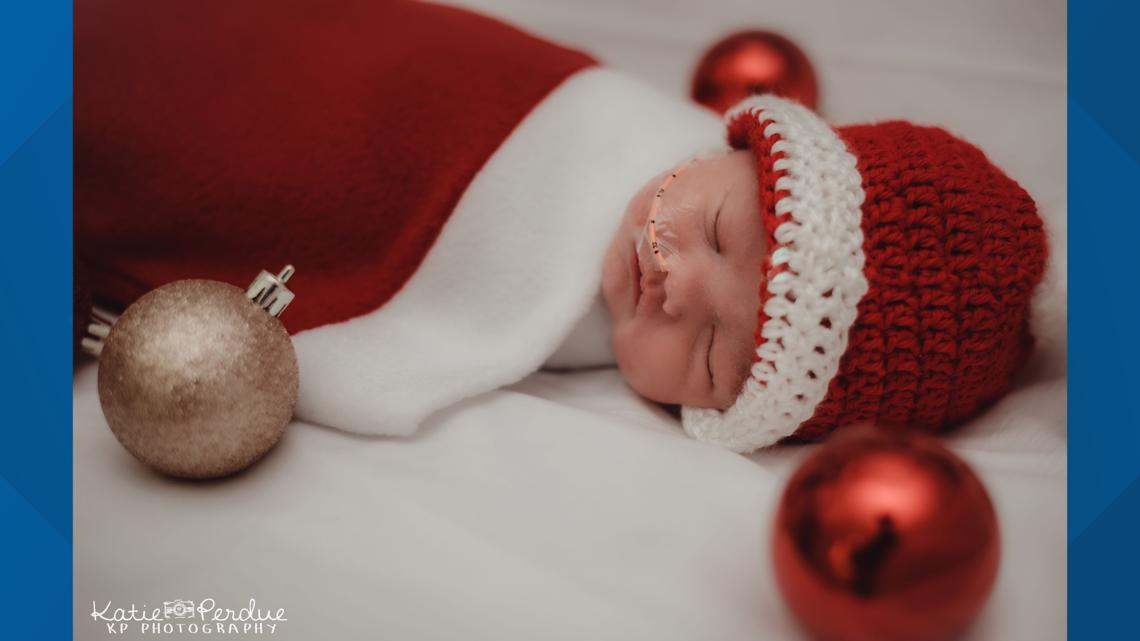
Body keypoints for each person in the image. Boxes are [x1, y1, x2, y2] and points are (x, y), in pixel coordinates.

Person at [76, 0, 1046, 452]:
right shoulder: (596, 114)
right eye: (714, 231)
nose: (677, 285)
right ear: (724, 149)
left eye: (712, 351)